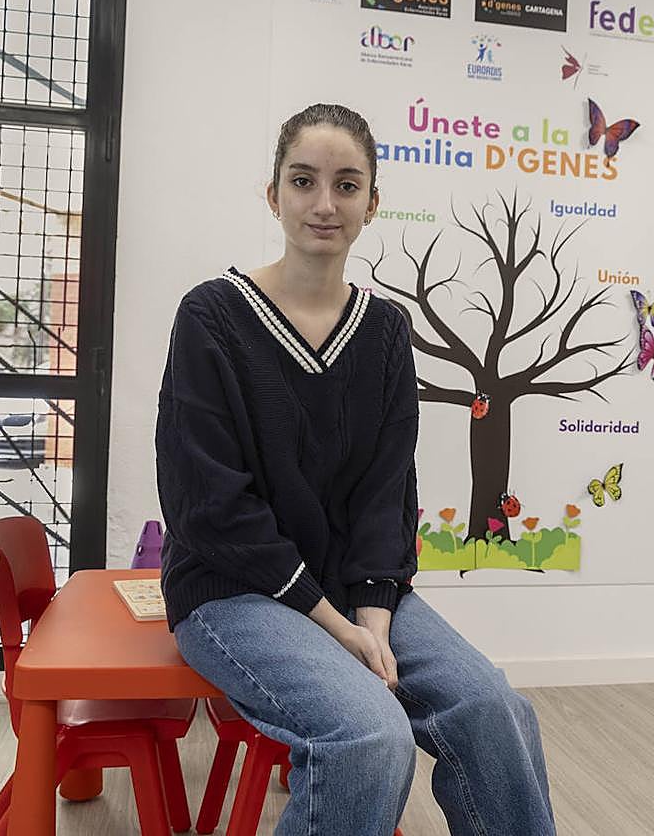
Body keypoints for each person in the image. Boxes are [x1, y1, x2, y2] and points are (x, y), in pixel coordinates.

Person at [156, 103, 556, 835]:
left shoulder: (383, 329)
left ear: (373, 204)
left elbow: (386, 491)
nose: (323, 203)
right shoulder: (211, 315)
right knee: (370, 734)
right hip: (233, 592)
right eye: (303, 181)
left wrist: (372, 612)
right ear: (272, 194)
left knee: (495, 710)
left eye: (346, 185)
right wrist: (336, 625)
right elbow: (207, 505)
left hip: (355, 588)